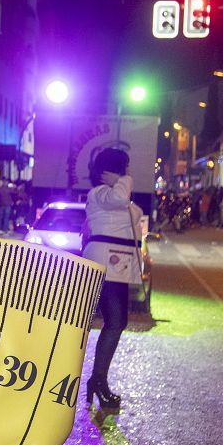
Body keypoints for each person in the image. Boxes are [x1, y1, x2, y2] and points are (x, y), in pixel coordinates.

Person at [81, 148, 142, 410]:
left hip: (117, 263)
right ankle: (97, 381)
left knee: (115, 322)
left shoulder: (109, 194)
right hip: (107, 263)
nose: (129, 172)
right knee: (115, 322)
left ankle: (98, 381)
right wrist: (121, 181)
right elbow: (120, 198)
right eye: (125, 167)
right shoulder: (100, 193)